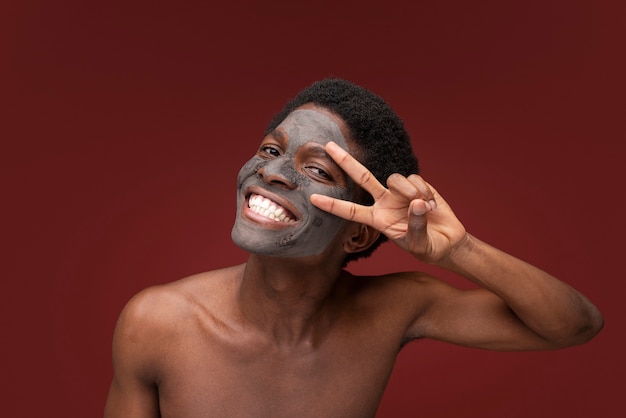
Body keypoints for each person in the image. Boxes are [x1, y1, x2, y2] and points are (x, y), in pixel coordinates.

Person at [103, 79, 603, 418]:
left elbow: (575, 324)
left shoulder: (395, 310)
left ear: (359, 233)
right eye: (271, 150)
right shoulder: (157, 322)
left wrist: (460, 250)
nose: (272, 172)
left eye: (316, 170)